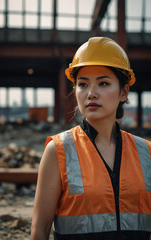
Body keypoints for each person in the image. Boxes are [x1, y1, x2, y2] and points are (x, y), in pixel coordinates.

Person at [30, 37, 151, 240]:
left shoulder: (146, 153)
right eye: (83, 84)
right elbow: (39, 231)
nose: (91, 93)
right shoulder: (58, 151)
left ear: (123, 92)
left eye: (103, 83)